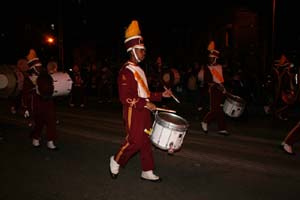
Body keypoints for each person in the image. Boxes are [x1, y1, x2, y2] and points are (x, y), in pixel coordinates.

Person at [109, 20, 173, 182]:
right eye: (141, 50)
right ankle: (116, 159)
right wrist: (145, 103)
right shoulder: (126, 71)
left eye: (144, 50)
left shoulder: (139, 69)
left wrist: (160, 96)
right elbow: (125, 97)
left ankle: (147, 170)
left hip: (144, 110)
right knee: (135, 141)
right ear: (132, 51)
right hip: (133, 111)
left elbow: (145, 93)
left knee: (145, 141)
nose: (144, 52)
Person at [26, 49, 58, 150]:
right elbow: (26, 94)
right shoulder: (29, 79)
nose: (39, 68)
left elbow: (51, 87)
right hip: (37, 104)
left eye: (40, 66)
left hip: (48, 102)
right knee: (39, 123)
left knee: (51, 122)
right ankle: (36, 138)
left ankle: (50, 141)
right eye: (37, 67)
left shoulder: (45, 76)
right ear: (33, 68)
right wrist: (27, 108)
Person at [201, 40, 229, 136]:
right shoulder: (207, 68)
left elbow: (223, 79)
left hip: (221, 89)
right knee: (214, 109)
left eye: (212, 58)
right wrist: (218, 86)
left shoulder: (220, 67)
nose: (210, 59)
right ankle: (205, 121)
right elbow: (207, 80)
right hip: (213, 90)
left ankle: (222, 128)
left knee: (221, 109)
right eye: (209, 58)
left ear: (216, 59)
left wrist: (224, 88)